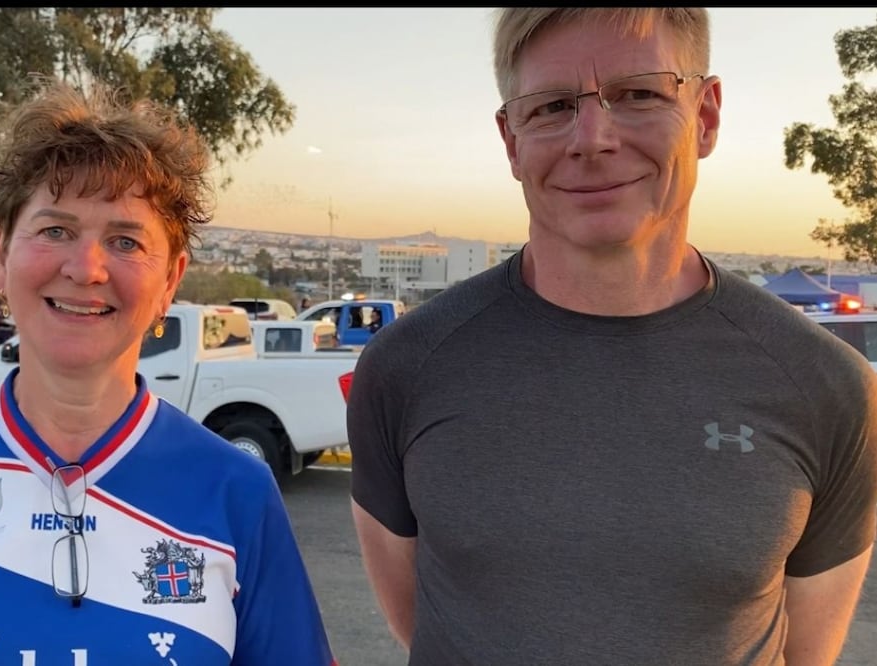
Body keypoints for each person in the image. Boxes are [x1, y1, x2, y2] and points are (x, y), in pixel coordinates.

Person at [346, 8, 877, 665]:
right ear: (510, 139)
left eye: (638, 94)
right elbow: (422, 622)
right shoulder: (405, 367)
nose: (592, 138)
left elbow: (806, 653)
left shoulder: (825, 385)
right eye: (551, 105)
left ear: (704, 115)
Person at [0, 78, 337, 666]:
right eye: (55, 230)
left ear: (170, 283)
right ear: (2, 257)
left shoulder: (238, 493)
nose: (86, 268)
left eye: (126, 241)